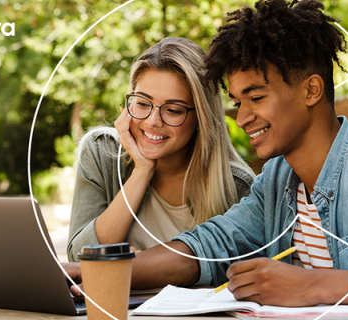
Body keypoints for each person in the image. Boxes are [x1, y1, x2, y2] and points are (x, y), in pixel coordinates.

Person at [63, 0, 348, 307]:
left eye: (257, 97)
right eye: (238, 102)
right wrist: (98, 271)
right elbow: (205, 248)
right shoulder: (276, 184)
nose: (244, 117)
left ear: (311, 90)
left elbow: (307, 286)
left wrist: (310, 285)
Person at [66, 37, 255, 262]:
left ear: (202, 118)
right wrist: (142, 170)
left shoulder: (236, 187)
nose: (153, 121)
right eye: (143, 104)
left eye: (173, 110)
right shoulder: (102, 152)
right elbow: (79, 259)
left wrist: (141, 269)